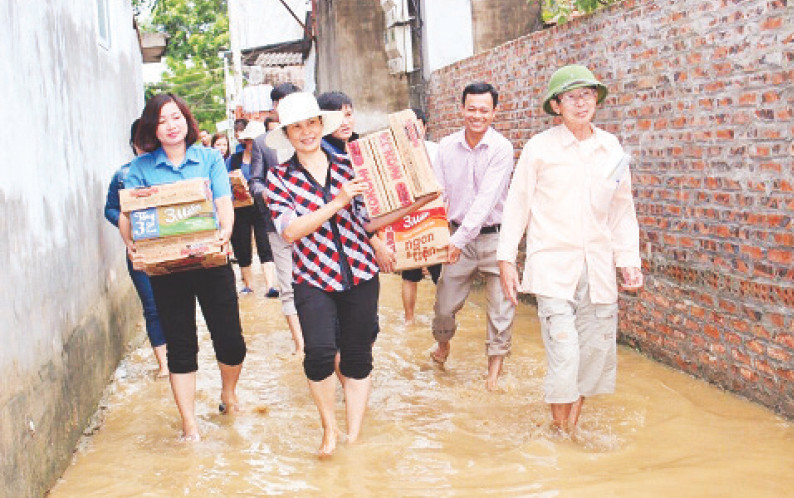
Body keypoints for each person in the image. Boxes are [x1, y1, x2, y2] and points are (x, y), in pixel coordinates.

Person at [264, 92, 436, 457]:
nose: (306, 132)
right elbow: (290, 231)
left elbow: (366, 220)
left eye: (312, 123)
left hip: (360, 272)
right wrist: (337, 202)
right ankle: (329, 428)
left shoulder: (349, 165)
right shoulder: (278, 178)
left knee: (358, 356)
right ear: (288, 134)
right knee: (320, 354)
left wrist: (414, 203)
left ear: (320, 126)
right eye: (297, 127)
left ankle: (354, 436)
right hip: (312, 276)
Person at [497, 64, 643, 435]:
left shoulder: (610, 148)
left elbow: (622, 209)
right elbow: (518, 204)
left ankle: (568, 430)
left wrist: (628, 261)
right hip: (553, 268)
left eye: (587, 95)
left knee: (592, 357)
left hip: (597, 268)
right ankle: (560, 432)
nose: (581, 104)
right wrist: (506, 259)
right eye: (572, 97)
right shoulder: (540, 149)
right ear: (556, 105)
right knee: (565, 354)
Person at [119, 93, 246, 442]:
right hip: (167, 270)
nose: (170, 126)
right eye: (161, 121)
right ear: (152, 129)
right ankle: (190, 426)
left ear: (186, 120)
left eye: (175, 117)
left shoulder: (208, 158)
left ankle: (228, 392)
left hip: (211, 261)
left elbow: (223, 201)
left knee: (231, 341)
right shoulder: (141, 169)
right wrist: (130, 244)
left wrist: (225, 232)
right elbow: (129, 215)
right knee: (181, 346)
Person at [429, 82, 516, 392]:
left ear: (494, 112)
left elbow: (486, 202)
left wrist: (456, 241)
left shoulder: (502, 149)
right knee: (443, 305)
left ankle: (493, 372)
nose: (477, 115)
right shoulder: (445, 147)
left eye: (484, 110)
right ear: (461, 109)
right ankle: (443, 345)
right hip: (455, 237)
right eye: (472, 109)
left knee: (502, 307)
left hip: (496, 239)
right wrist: (438, 237)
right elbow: (437, 194)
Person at [104, 119, 169, 378]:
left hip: (170, 248)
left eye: (150, 139)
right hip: (139, 249)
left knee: (175, 303)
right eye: (141, 140)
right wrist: (125, 221)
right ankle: (164, 364)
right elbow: (109, 208)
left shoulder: (169, 172)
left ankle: (181, 357)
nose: (146, 145)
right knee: (152, 307)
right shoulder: (123, 175)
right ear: (133, 144)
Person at [249, 82, 305, 354]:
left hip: (316, 223)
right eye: (281, 103)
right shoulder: (262, 144)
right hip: (277, 223)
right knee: (289, 284)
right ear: (274, 108)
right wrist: (270, 194)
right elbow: (255, 181)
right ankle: (300, 343)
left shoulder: (312, 136)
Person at [400, 107, 442, 325]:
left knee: (441, 274)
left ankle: (443, 319)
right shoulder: (396, 155)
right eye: (407, 128)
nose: (413, 132)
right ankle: (409, 319)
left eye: (417, 126)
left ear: (425, 128)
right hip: (408, 219)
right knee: (410, 274)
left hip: (435, 218)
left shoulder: (438, 151)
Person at [227, 120, 279, 296]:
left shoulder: (268, 158)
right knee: (242, 246)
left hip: (260, 206)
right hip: (240, 207)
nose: (251, 144)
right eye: (249, 140)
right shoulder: (234, 160)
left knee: (265, 243)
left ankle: (270, 285)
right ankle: (248, 284)